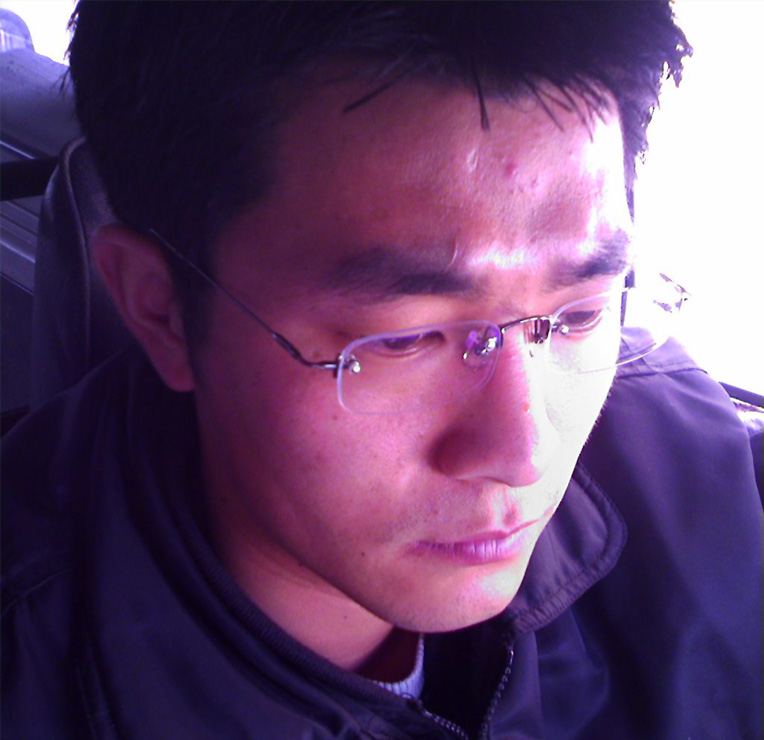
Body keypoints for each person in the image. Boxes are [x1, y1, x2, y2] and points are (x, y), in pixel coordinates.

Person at [2, 3, 761, 738]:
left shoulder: (696, 464)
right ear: (161, 309)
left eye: (576, 317)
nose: (524, 454)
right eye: (405, 339)